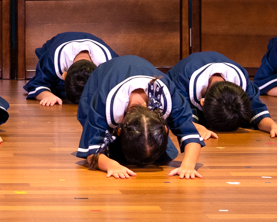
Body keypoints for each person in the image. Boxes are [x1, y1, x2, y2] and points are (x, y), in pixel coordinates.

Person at [76, 55, 205, 180]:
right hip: (101, 80)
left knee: (156, 153)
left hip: (140, 72)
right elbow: (92, 153)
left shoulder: (168, 94)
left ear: (165, 129)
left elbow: (190, 133)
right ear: (119, 131)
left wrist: (188, 166)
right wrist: (111, 165)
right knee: (113, 154)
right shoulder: (103, 101)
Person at [167, 51, 277, 140]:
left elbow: (257, 110)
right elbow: (180, 116)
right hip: (181, 82)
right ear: (203, 102)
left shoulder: (242, 81)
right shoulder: (182, 81)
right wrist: (196, 126)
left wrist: (273, 126)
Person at [24, 32, 117, 106]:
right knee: (55, 88)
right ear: (64, 75)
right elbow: (36, 84)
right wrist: (47, 95)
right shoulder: (52, 59)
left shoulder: (111, 62)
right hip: (57, 44)